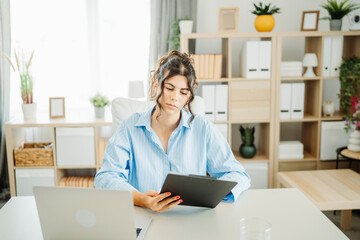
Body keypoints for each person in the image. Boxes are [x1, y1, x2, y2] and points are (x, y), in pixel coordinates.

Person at [94, 50, 250, 213]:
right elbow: (106, 177)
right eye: (169, 88)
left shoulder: (203, 128)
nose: (175, 97)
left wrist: (209, 194)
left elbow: (238, 174)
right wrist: (141, 199)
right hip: (143, 215)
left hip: (188, 218)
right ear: (157, 85)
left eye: (183, 92)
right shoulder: (129, 128)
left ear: (189, 96)